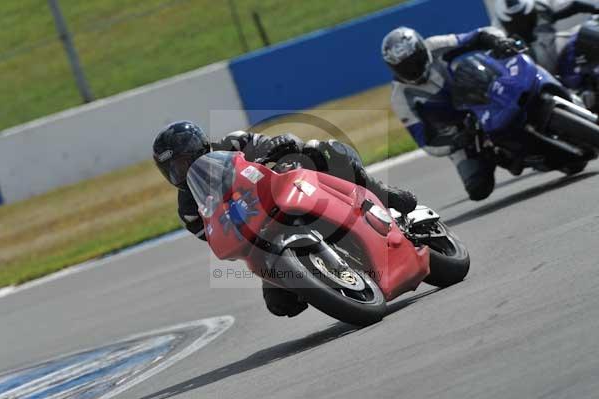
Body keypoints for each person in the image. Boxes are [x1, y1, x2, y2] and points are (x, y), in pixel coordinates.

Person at [152, 120, 417, 317]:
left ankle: (381, 193)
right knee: (280, 304)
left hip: (285, 191)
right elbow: (216, 237)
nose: (182, 171)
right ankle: (323, 279)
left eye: (185, 161)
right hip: (262, 236)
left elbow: (275, 143)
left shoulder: (232, 144)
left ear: (200, 147)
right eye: (173, 169)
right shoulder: (189, 209)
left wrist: (280, 146)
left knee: (320, 151)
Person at [382, 26, 520, 200]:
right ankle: (496, 156)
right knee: (478, 188)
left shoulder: (436, 45)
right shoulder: (400, 97)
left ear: (422, 49)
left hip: (483, 99)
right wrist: (455, 141)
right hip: (462, 133)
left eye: (414, 61)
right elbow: (425, 141)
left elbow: (478, 35)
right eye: (403, 67)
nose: (412, 69)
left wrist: (498, 41)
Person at [494, 0, 599, 74]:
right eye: (515, 23)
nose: (522, 25)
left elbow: (573, 5)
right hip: (532, 70)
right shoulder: (498, 29)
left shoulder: (541, 6)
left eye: (525, 19)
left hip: (557, 50)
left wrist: (595, 8)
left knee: (586, 34)